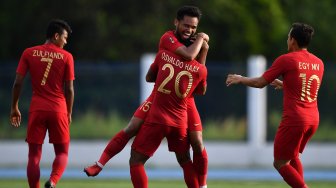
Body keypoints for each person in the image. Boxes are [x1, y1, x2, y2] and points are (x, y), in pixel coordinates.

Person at [84, 5, 209, 187]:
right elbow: (192, 61)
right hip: (165, 99)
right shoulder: (168, 38)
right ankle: (99, 164)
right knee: (132, 128)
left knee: (197, 143)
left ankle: (203, 185)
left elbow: (151, 77)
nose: (189, 30)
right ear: (176, 22)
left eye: (194, 28)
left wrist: (201, 51)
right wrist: (202, 40)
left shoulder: (165, 55)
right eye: (186, 25)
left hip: (182, 99)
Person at [226, 23, 323, 188]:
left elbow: (259, 83)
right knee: (292, 157)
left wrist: (240, 79)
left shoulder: (287, 59)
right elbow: (305, 89)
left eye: (288, 37)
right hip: (313, 119)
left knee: (280, 162)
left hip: (295, 119)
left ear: (292, 40)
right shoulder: (318, 63)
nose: (287, 40)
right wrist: (285, 85)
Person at [10, 19, 75, 188]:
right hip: (58, 108)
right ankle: (52, 182)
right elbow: (69, 89)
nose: (65, 42)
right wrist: (68, 111)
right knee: (62, 152)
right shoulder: (67, 57)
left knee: (34, 156)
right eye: (65, 38)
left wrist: (14, 107)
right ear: (56, 36)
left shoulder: (28, 53)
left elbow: (17, 83)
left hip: (37, 108)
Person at [130, 49, 207, 188]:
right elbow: (201, 90)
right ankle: (202, 185)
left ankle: (100, 163)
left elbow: (148, 77)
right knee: (187, 156)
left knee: (135, 157)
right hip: (180, 119)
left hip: (159, 116)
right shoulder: (199, 67)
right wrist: (204, 49)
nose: (189, 30)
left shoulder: (165, 51)